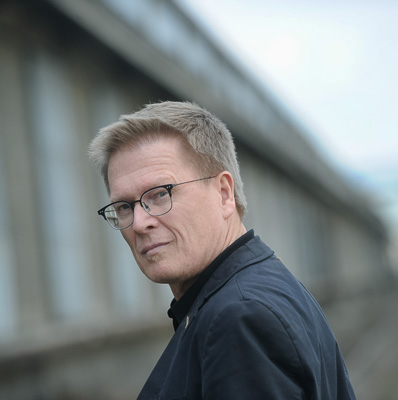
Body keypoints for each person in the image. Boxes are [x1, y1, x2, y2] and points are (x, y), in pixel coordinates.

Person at [89, 101, 356, 399]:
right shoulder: (256, 288)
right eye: (124, 207)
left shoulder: (240, 317)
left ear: (224, 194)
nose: (139, 223)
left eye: (160, 194)